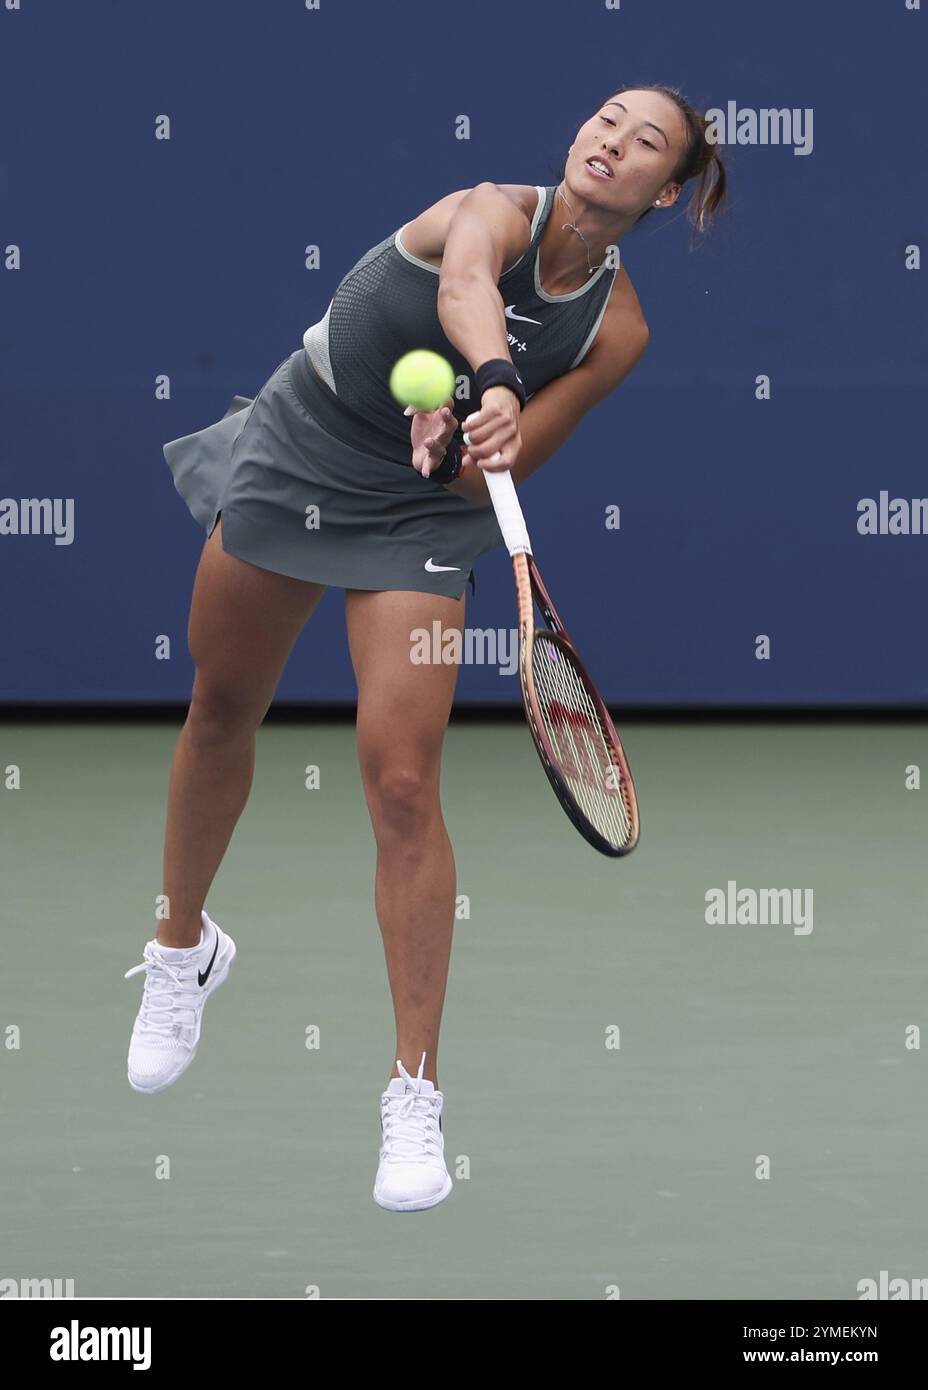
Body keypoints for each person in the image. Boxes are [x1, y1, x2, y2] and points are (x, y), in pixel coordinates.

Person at [124, 83, 729, 1213]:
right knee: (220, 706)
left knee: (403, 782)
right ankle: (181, 948)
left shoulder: (619, 328)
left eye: (646, 142)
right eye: (605, 119)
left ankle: (413, 1093)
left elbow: (505, 462)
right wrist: (492, 374)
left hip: (418, 514)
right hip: (301, 444)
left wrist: (468, 434)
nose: (612, 142)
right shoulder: (487, 209)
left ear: (667, 190)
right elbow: (463, 289)